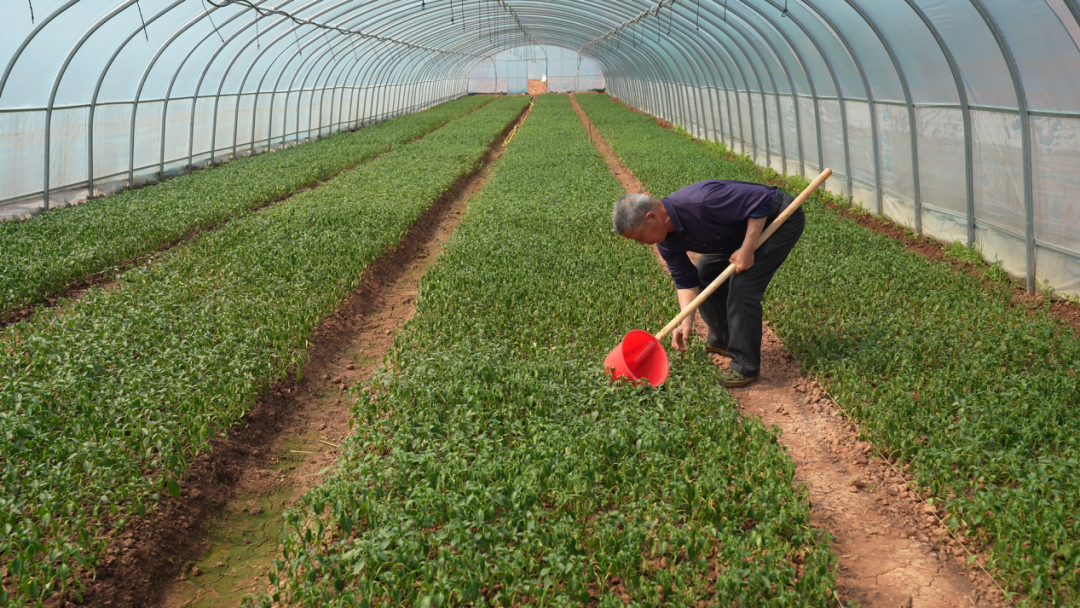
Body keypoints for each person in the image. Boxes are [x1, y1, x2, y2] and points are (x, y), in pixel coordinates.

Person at [612, 180, 805, 388]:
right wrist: (686, 322)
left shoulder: (702, 201)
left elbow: (761, 201)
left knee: (743, 286)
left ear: (651, 217)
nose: (642, 243)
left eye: (640, 237)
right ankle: (723, 339)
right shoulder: (665, 241)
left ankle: (745, 366)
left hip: (777, 219)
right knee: (705, 272)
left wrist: (747, 249)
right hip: (736, 233)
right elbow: (686, 281)